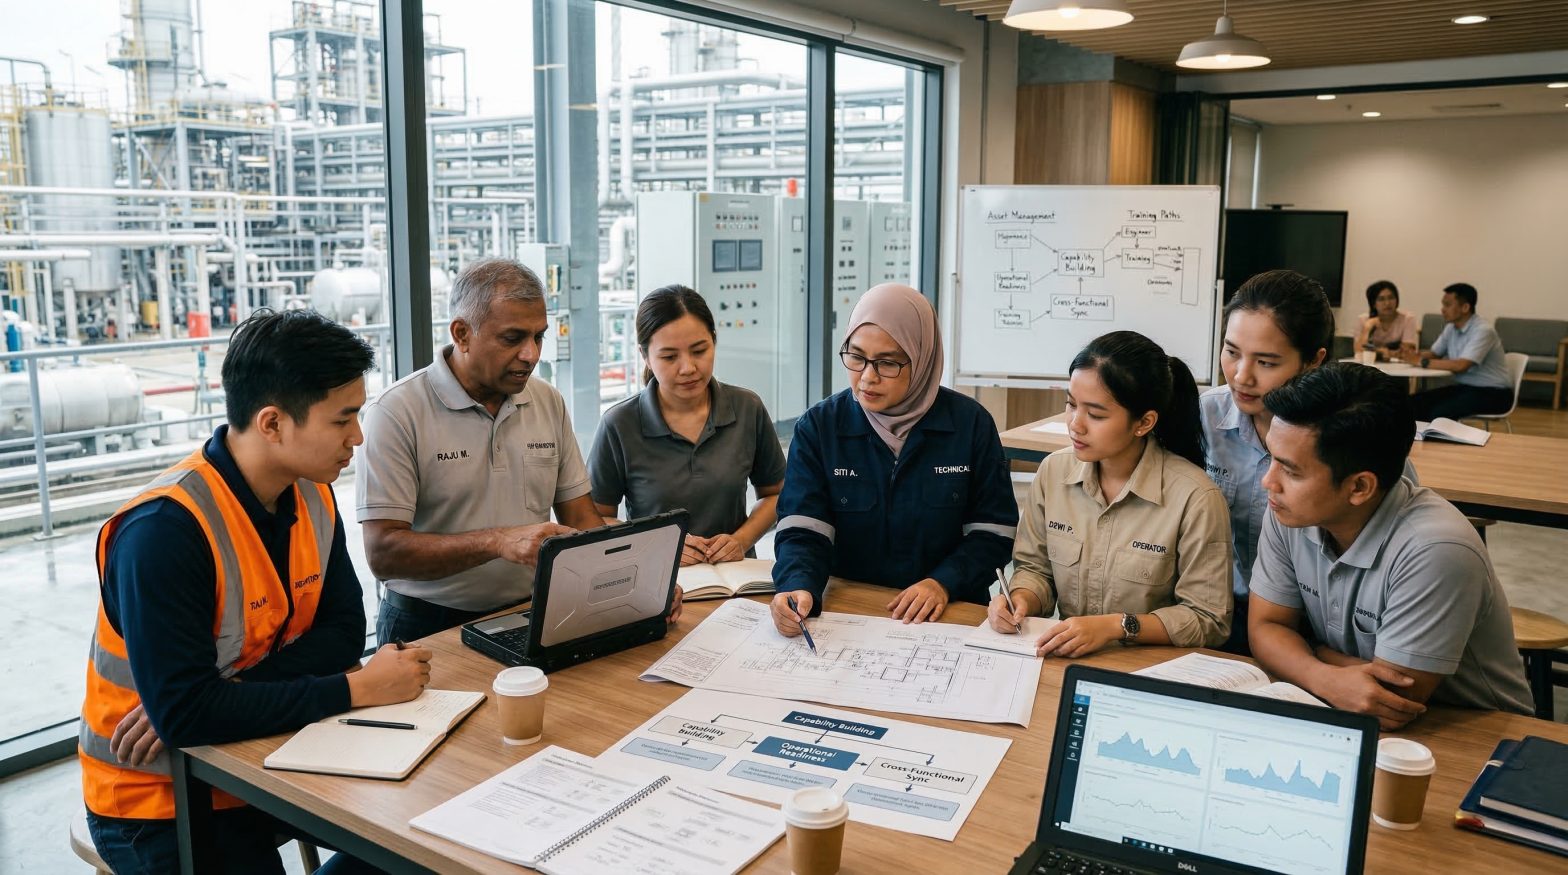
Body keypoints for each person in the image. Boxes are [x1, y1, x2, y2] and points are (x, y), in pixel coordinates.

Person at [80, 309, 431, 874]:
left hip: (269, 750)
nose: (358, 437)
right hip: (161, 798)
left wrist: (221, 695)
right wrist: (354, 690)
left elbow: (342, 632)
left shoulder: (312, 495)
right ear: (272, 424)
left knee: (418, 839)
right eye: (344, 419)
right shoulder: (165, 532)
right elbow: (188, 720)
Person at [357, 258, 657, 646]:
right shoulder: (397, 413)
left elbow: (582, 518)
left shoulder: (546, 400)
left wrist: (637, 588)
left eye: (539, 337)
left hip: (530, 611)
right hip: (426, 626)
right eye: (513, 338)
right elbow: (383, 554)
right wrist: (498, 541)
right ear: (462, 334)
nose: (531, 354)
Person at [1248, 364, 1534, 728]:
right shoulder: (1291, 510)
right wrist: (1325, 677)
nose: (1267, 481)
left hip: (1473, 732)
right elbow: (1266, 628)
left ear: (1359, 488)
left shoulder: (1436, 550)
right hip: (1344, 714)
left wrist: (1307, 651)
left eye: (1291, 471)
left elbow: (1392, 703)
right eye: (1272, 458)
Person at [769, 283, 1017, 634]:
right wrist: (798, 585)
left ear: (921, 358)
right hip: (850, 610)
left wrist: (943, 582)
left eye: (887, 363)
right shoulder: (821, 426)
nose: (867, 377)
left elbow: (994, 533)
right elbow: (803, 528)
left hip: (948, 613)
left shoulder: (970, 425)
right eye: (856, 357)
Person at [990, 331, 1232, 656]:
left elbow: (1208, 620)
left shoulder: (1196, 497)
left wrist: (1115, 627)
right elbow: (1036, 569)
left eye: (1096, 415)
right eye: (1071, 404)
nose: (1075, 424)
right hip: (1066, 658)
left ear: (1144, 422)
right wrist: (1020, 599)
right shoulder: (1053, 472)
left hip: (1147, 670)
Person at [589, 285, 786, 565]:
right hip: (653, 581)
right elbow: (595, 519)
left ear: (714, 342)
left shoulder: (747, 408)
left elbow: (776, 493)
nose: (688, 368)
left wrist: (741, 541)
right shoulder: (620, 424)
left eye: (699, 350)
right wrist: (656, 545)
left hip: (733, 578)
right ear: (645, 356)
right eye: (670, 357)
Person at [1408, 282, 1513, 421]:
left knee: (1437, 414)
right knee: (1413, 403)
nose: (1442, 310)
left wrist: (1421, 361)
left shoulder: (1483, 330)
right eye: (1443, 305)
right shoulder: (1451, 328)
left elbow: (1461, 366)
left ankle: (1435, 441)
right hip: (1466, 388)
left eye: (1447, 305)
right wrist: (1408, 355)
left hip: (1494, 393)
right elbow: (1434, 354)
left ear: (1465, 307)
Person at [1353, 279, 1417, 360]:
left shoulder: (1407, 319)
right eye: (1381, 299)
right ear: (1373, 304)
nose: (1387, 303)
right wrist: (1367, 328)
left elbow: (1408, 352)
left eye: (1391, 298)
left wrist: (1380, 352)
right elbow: (1358, 352)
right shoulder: (1363, 320)